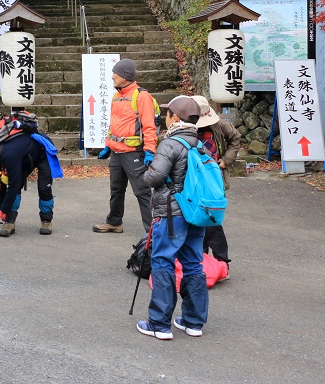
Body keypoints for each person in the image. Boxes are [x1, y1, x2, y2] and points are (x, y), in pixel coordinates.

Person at [137, 95, 209, 340]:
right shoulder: (200, 145)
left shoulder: (170, 144)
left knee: (163, 262)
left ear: (175, 118)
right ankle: (193, 322)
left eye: (167, 114)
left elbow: (155, 178)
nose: (165, 118)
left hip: (171, 214)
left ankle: (159, 324)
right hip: (196, 214)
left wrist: (146, 175)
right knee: (193, 264)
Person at [93, 59, 158, 234]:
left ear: (125, 76)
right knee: (116, 189)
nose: (113, 76)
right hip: (116, 152)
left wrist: (150, 150)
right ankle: (114, 222)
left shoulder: (142, 96)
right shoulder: (117, 96)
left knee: (142, 192)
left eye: (116, 73)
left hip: (133, 153)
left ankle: (153, 231)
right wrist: (108, 145)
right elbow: (113, 124)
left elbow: (149, 126)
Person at [193, 95, 240, 266]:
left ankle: (221, 261)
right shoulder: (187, 128)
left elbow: (235, 138)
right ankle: (201, 260)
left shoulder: (220, 126)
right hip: (194, 181)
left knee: (212, 222)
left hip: (214, 179)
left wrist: (226, 160)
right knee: (197, 221)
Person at [0, 112, 56, 237]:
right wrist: (0, 208)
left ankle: (46, 220)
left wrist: (3, 209)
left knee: (43, 188)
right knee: (15, 185)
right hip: (25, 156)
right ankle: (9, 222)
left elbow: (13, 184)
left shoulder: (8, 155)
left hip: (43, 153)